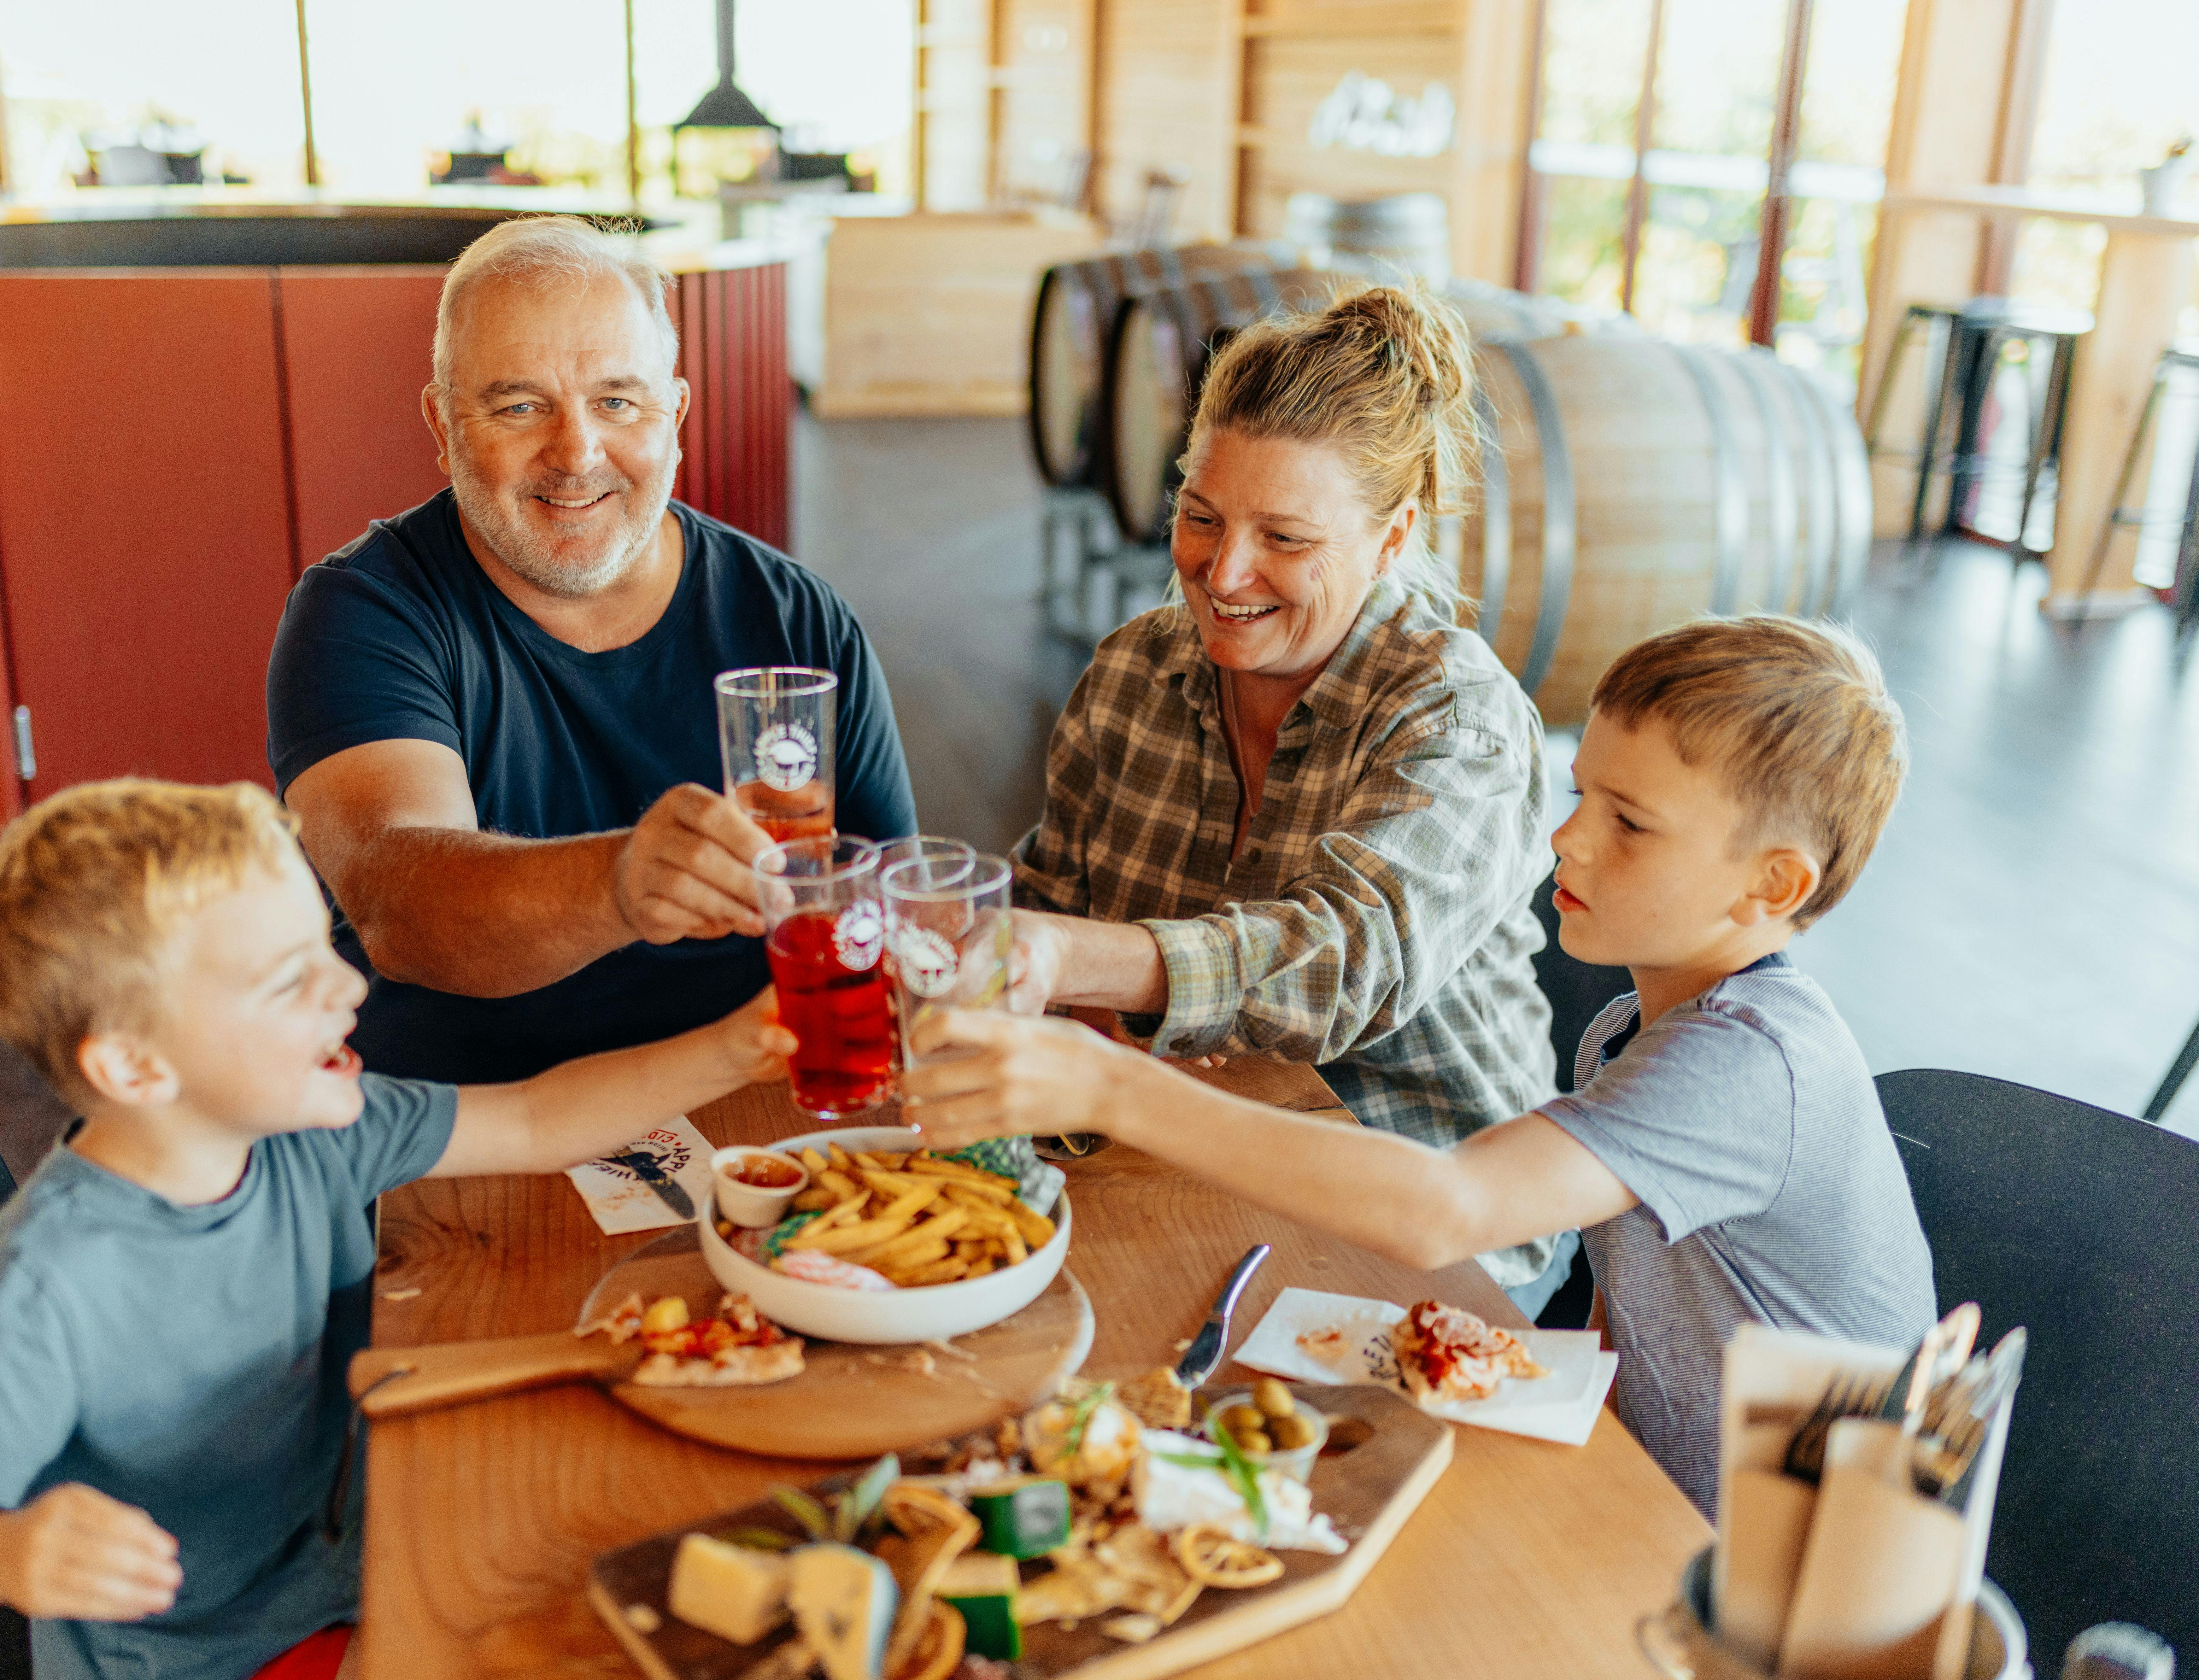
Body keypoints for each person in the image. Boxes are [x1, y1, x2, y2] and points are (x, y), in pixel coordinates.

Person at [908, 616, 1939, 1517]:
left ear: (1773, 884)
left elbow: (1442, 1211)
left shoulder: (1749, 1067)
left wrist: (1107, 1086)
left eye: (1628, 822)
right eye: (1581, 795)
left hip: (1781, 1589)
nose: (1564, 841)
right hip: (1650, 1497)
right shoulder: (1641, 1021)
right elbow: (1642, 1309)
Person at [0, 780, 795, 1680]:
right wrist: (10, 1554)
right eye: (291, 980)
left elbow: (540, 1122)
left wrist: (733, 1048)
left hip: (344, 1563)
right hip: (202, 1673)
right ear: (135, 1064)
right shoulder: (51, 1283)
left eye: (323, 946)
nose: (349, 984)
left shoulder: (305, 1126)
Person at [1004, 281, 1560, 1297]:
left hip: (1425, 1213)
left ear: (1391, 539)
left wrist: (1075, 961)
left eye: (1286, 539)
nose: (1223, 573)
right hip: (1173, 1156)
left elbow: (1345, 967)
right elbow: (1046, 902)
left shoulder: (1455, 718)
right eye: (1199, 517)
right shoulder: (1133, 670)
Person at [267, 214, 916, 1084]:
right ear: (442, 421)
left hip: (747, 1099)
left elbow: (882, 900)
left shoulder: (797, 616)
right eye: (519, 405)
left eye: (617, 401)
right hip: (472, 1125)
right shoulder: (365, 613)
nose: (576, 453)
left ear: (675, 415)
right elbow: (400, 909)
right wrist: (622, 883)